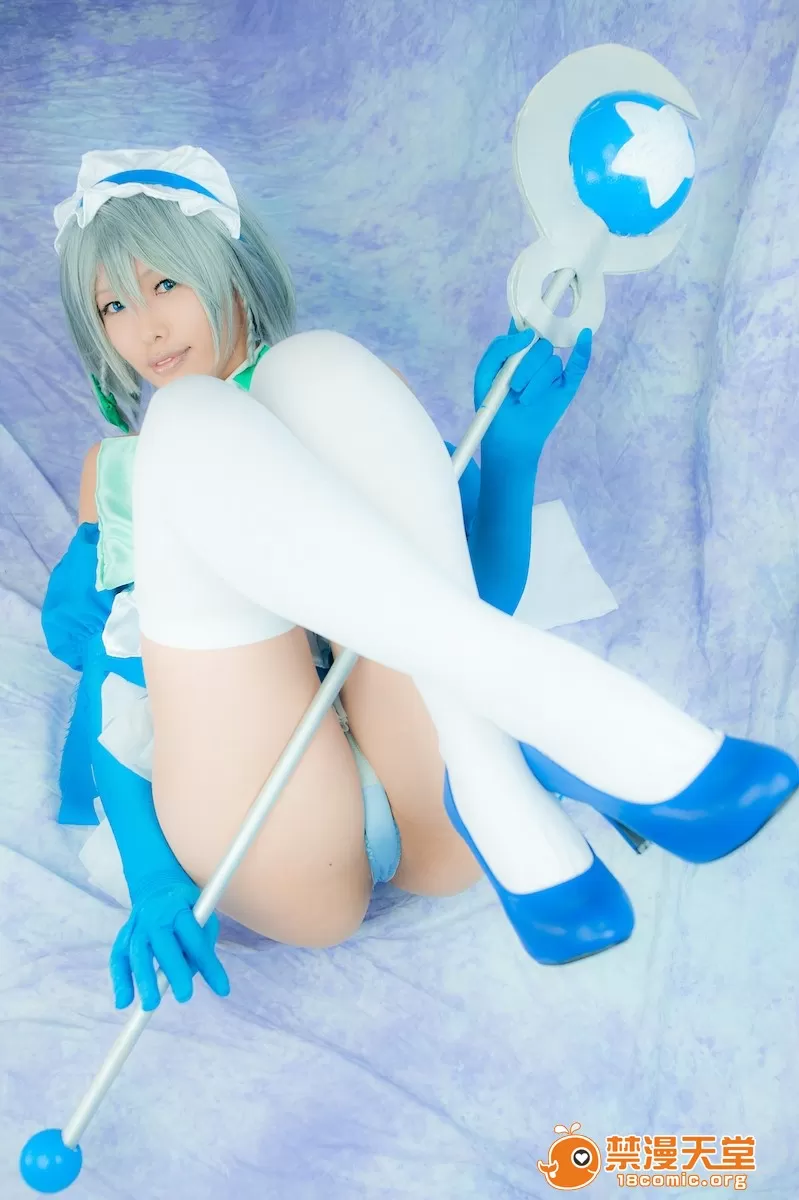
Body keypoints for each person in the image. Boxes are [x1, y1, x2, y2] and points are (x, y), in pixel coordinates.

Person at [42, 146, 797, 1014]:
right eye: (114, 305)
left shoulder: (351, 403)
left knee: (311, 364)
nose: (146, 328)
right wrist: (150, 875)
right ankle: (587, 725)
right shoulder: (119, 473)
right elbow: (120, 681)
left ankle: (498, 791)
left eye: (167, 284)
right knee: (187, 419)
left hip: (430, 786)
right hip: (280, 839)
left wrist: (509, 454)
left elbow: (477, 594)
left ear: (230, 271)